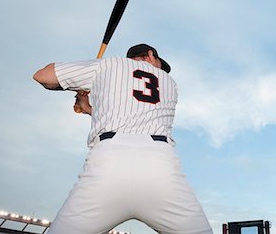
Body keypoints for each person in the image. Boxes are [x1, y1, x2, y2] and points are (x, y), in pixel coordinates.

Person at [33, 44, 212, 234]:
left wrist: (82, 83)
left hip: (108, 163)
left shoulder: (108, 65)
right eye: (160, 63)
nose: (161, 69)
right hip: (160, 167)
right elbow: (137, 110)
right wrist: (90, 109)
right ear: (151, 55)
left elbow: (43, 76)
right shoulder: (170, 83)